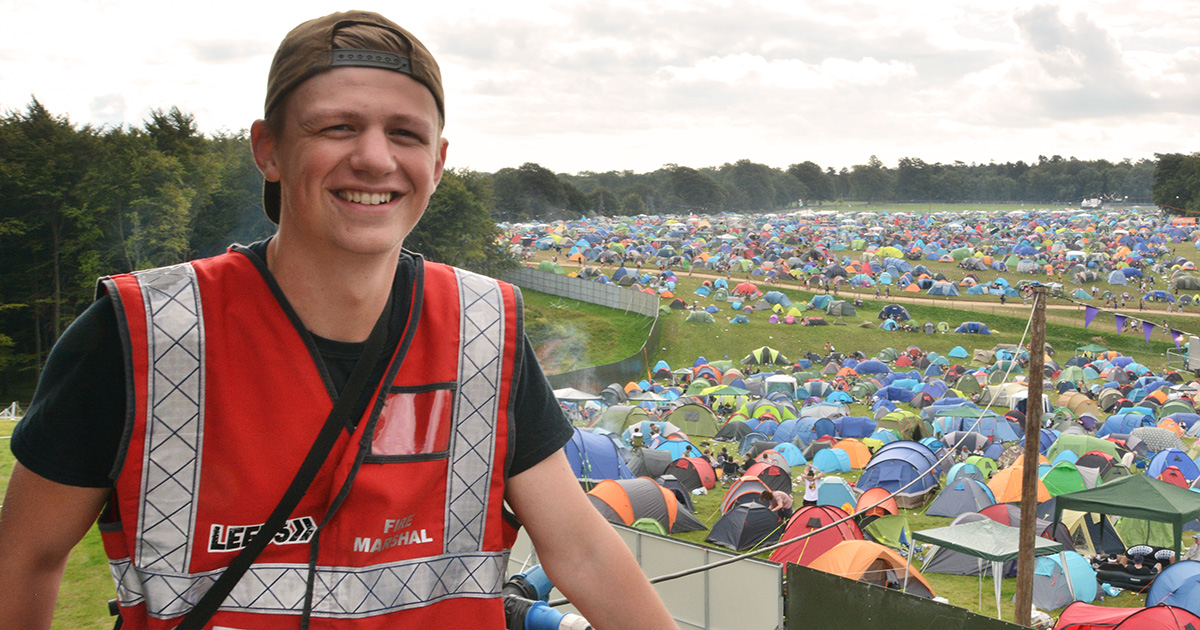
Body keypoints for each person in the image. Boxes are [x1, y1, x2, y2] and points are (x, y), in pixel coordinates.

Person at [0, 11, 675, 629]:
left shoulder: (484, 331)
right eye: (338, 127)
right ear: (268, 149)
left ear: (438, 163)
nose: (375, 158)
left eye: (405, 134)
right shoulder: (141, 333)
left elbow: (580, 550)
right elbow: (25, 559)